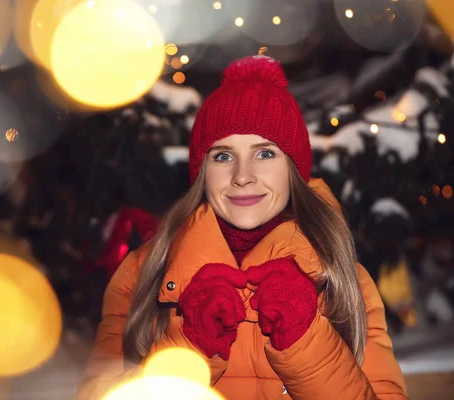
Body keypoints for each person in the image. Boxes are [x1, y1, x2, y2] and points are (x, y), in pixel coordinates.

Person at [77, 56, 407, 399]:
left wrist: (307, 343)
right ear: (202, 170)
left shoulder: (342, 276)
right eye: (223, 156)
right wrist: (190, 347)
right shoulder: (141, 273)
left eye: (265, 153)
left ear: (293, 168)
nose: (242, 175)